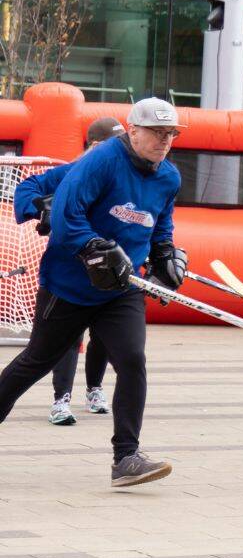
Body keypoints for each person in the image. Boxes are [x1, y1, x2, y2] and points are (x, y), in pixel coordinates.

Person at [0, 97, 187, 488]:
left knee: (133, 359)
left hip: (120, 290)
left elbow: (159, 226)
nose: (164, 141)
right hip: (69, 285)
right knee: (36, 360)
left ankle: (126, 458)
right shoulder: (99, 162)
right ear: (133, 130)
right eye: (157, 132)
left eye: (171, 134)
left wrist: (165, 257)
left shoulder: (168, 177)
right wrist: (90, 246)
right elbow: (68, 216)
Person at [14, 117, 125, 426]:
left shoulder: (126, 176)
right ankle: (60, 399)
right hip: (71, 272)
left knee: (105, 336)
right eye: (116, 144)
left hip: (112, 272)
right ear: (96, 147)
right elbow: (28, 187)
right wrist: (42, 206)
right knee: (65, 339)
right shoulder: (74, 172)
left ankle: (94, 388)